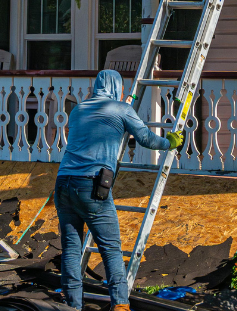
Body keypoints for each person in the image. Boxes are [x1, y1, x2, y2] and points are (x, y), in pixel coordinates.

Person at [54, 69, 183, 311]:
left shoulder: (79, 109)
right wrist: (170, 143)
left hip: (63, 181)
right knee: (111, 248)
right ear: (115, 87)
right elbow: (145, 139)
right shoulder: (121, 110)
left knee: (71, 247)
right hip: (91, 185)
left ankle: (72, 305)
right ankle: (121, 305)